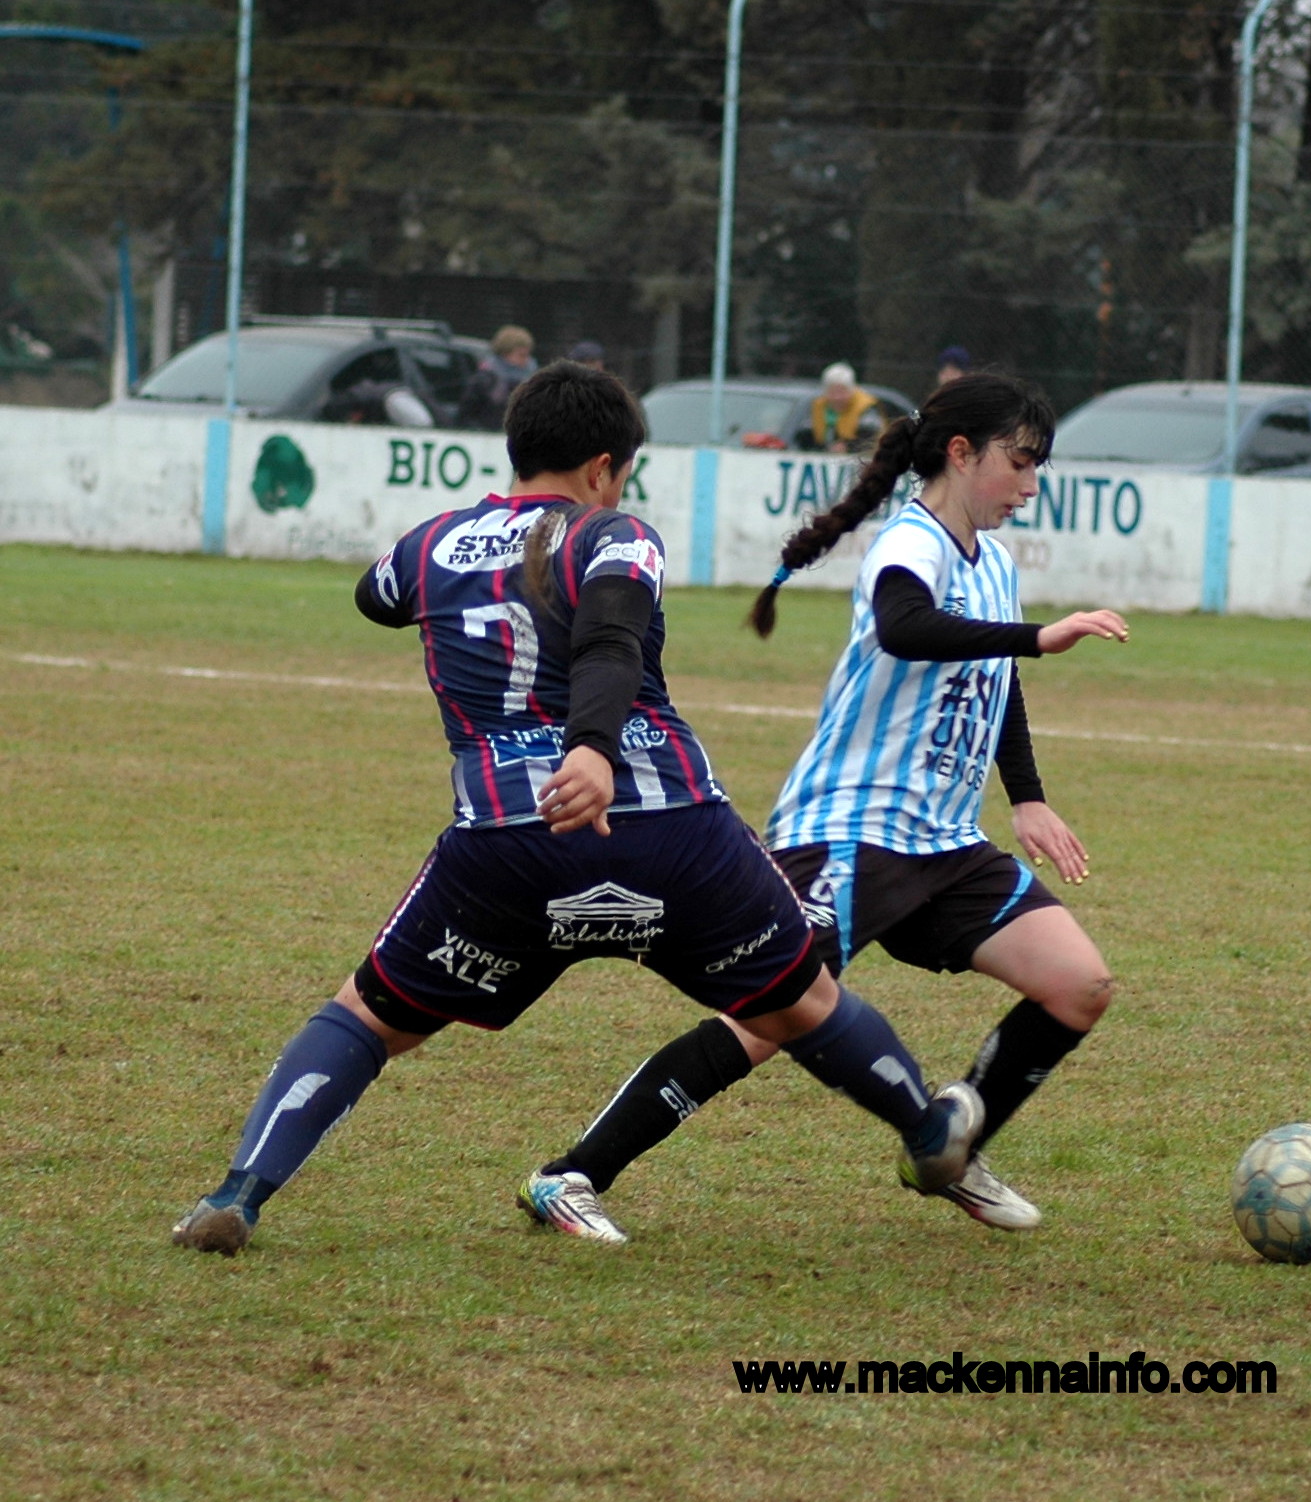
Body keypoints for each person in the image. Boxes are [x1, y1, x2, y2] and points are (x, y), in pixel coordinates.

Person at [169, 364, 978, 1256]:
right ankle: (927, 1133)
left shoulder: (430, 543)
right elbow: (611, 634)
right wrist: (591, 745)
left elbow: (376, 598)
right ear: (603, 467)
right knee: (802, 1001)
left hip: (508, 844)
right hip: (671, 829)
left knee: (367, 1017)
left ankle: (240, 1191)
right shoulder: (616, 534)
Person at [528, 374, 1131, 1232]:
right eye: (1020, 462)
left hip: (944, 843)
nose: (1030, 485)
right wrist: (1041, 637)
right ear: (961, 455)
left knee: (1080, 985)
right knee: (765, 1020)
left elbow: (994, 679)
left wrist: (1028, 798)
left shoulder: (992, 562)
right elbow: (905, 626)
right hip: (846, 831)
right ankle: (571, 1176)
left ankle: (948, 1149)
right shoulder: (909, 545)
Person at [455, 326, 537, 430]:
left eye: (527, 355)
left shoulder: (532, 381)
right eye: (521, 355)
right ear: (505, 354)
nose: (525, 360)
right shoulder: (484, 380)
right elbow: (465, 415)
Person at [798, 362, 886, 453]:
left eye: (842, 392)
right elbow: (804, 437)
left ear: (852, 390)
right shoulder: (818, 406)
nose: (837, 397)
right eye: (832, 392)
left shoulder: (866, 406)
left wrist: (848, 447)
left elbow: (870, 439)